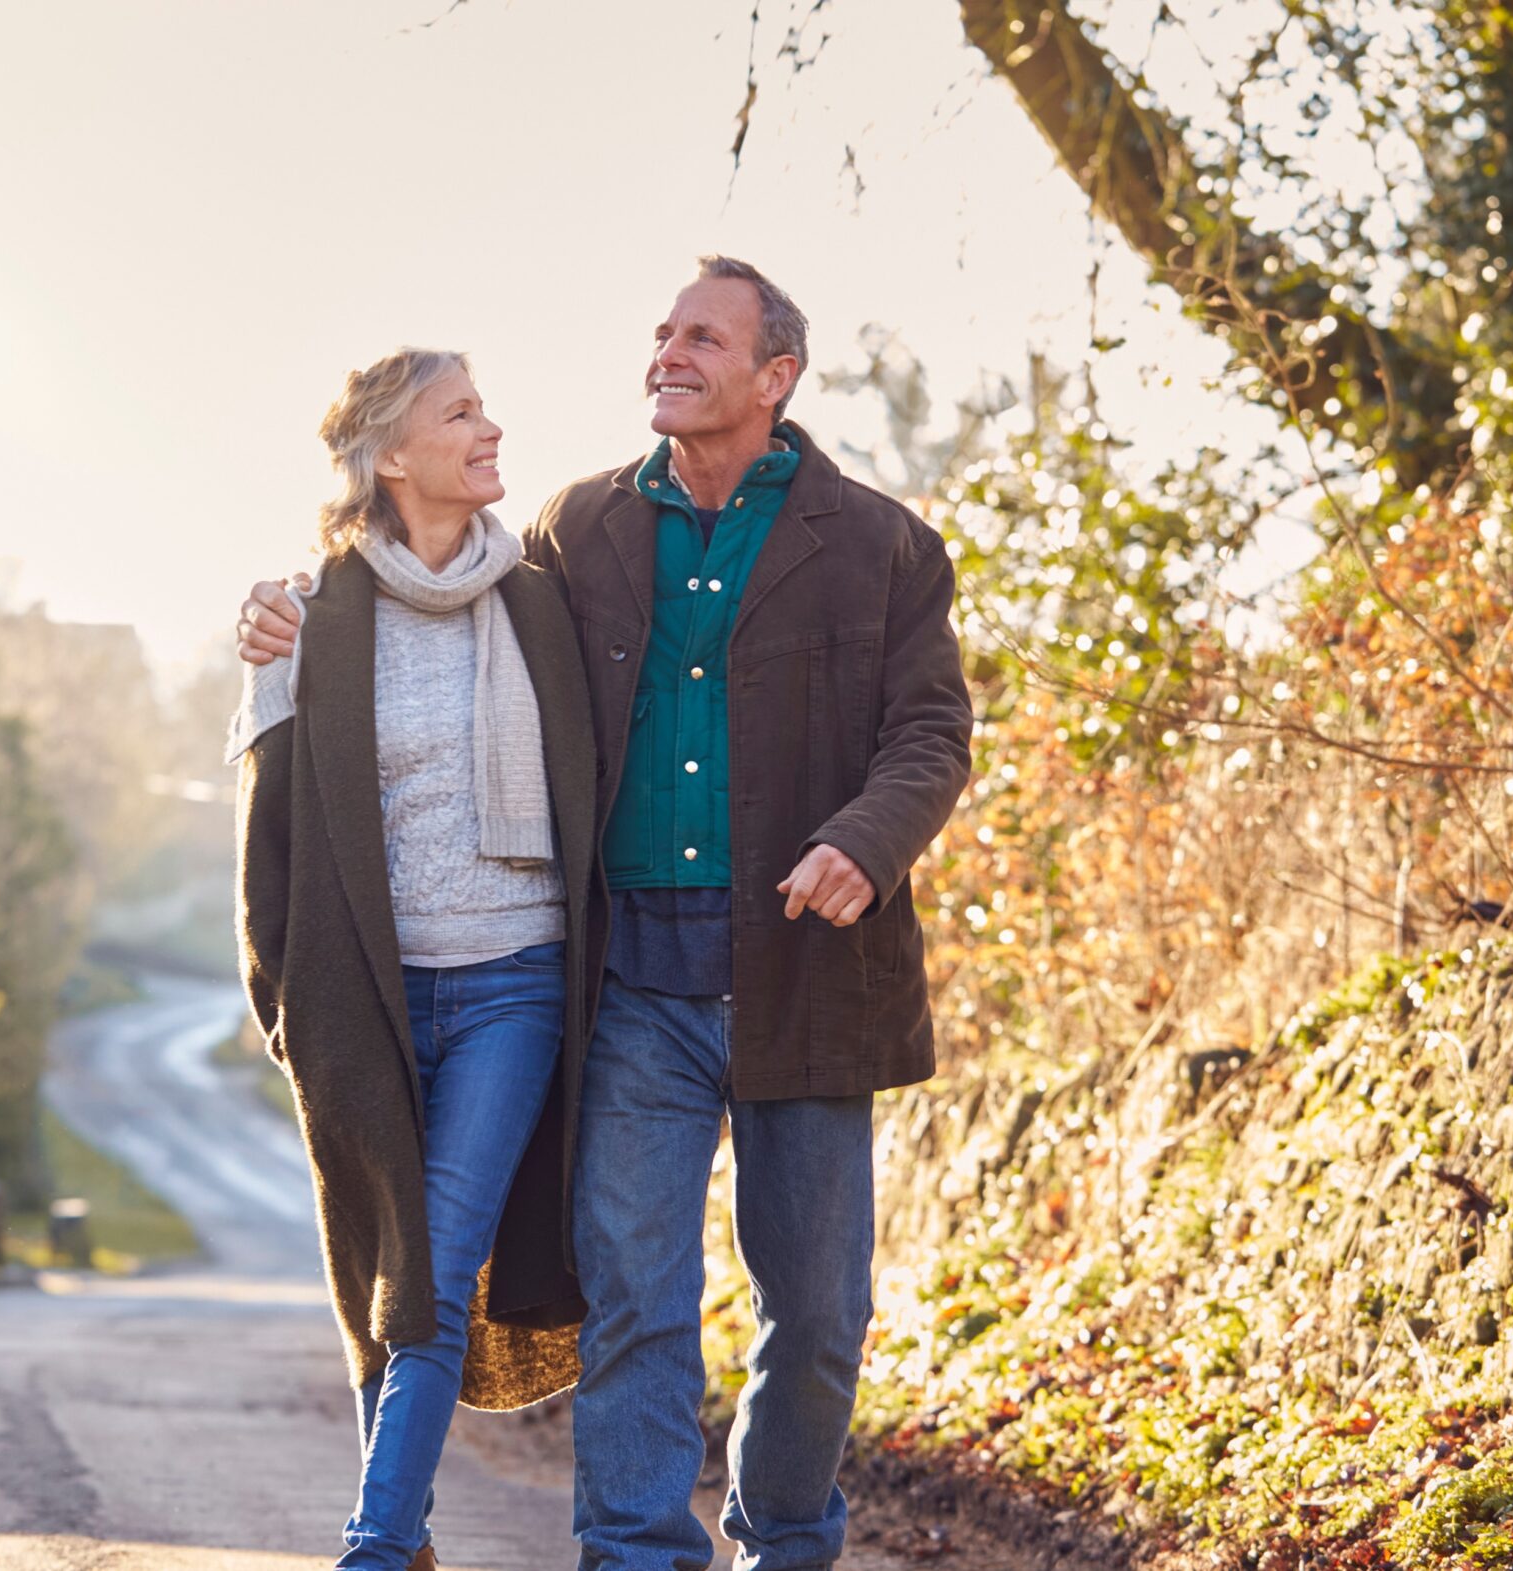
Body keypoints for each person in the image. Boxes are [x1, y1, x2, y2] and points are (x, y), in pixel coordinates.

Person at [241, 257, 974, 1571]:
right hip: (629, 984)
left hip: (808, 980)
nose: (668, 351)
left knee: (814, 1311)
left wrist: (864, 840)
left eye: (705, 337)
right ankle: (634, 1548)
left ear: (774, 375)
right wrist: (290, 602)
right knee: (634, 1294)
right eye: (662, 332)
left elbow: (930, 733)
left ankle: (785, 1537)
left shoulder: (879, 545)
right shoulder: (579, 532)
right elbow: (430, 595)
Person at [230, 347, 599, 1571]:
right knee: (377, 1284)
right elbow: (268, 844)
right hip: (367, 1010)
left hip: (513, 985)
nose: (491, 428)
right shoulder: (307, 618)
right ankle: (405, 1535)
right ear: (392, 455)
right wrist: (289, 1015)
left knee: (431, 1273)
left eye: (485, 406)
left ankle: (374, 1546)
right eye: (461, 414)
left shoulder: (543, 600)